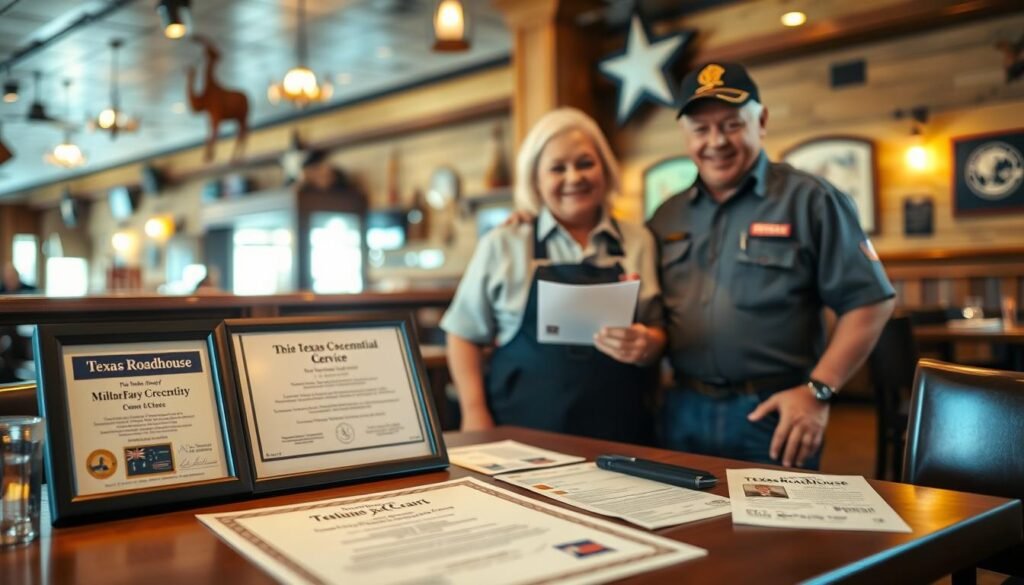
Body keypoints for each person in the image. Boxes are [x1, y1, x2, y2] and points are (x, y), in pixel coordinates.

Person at [649, 62, 895, 469]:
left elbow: (870, 301)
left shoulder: (811, 199)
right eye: (701, 129)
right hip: (681, 411)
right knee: (679, 531)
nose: (716, 142)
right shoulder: (666, 216)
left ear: (760, 121)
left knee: (776, 534)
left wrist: (819, 391)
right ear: (685, 135)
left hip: (776, 413)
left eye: (731, 125)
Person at [440, 108, 666, 444]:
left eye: (585, 163)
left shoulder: (639, 241)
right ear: (536, 181)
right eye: (557, 168)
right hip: (518, 437)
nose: (574, 177)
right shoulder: (504, 243)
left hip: (622, 437)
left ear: (605, 167)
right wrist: (474, 413)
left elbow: (658, 328)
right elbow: (462, 334)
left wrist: (648, 343)